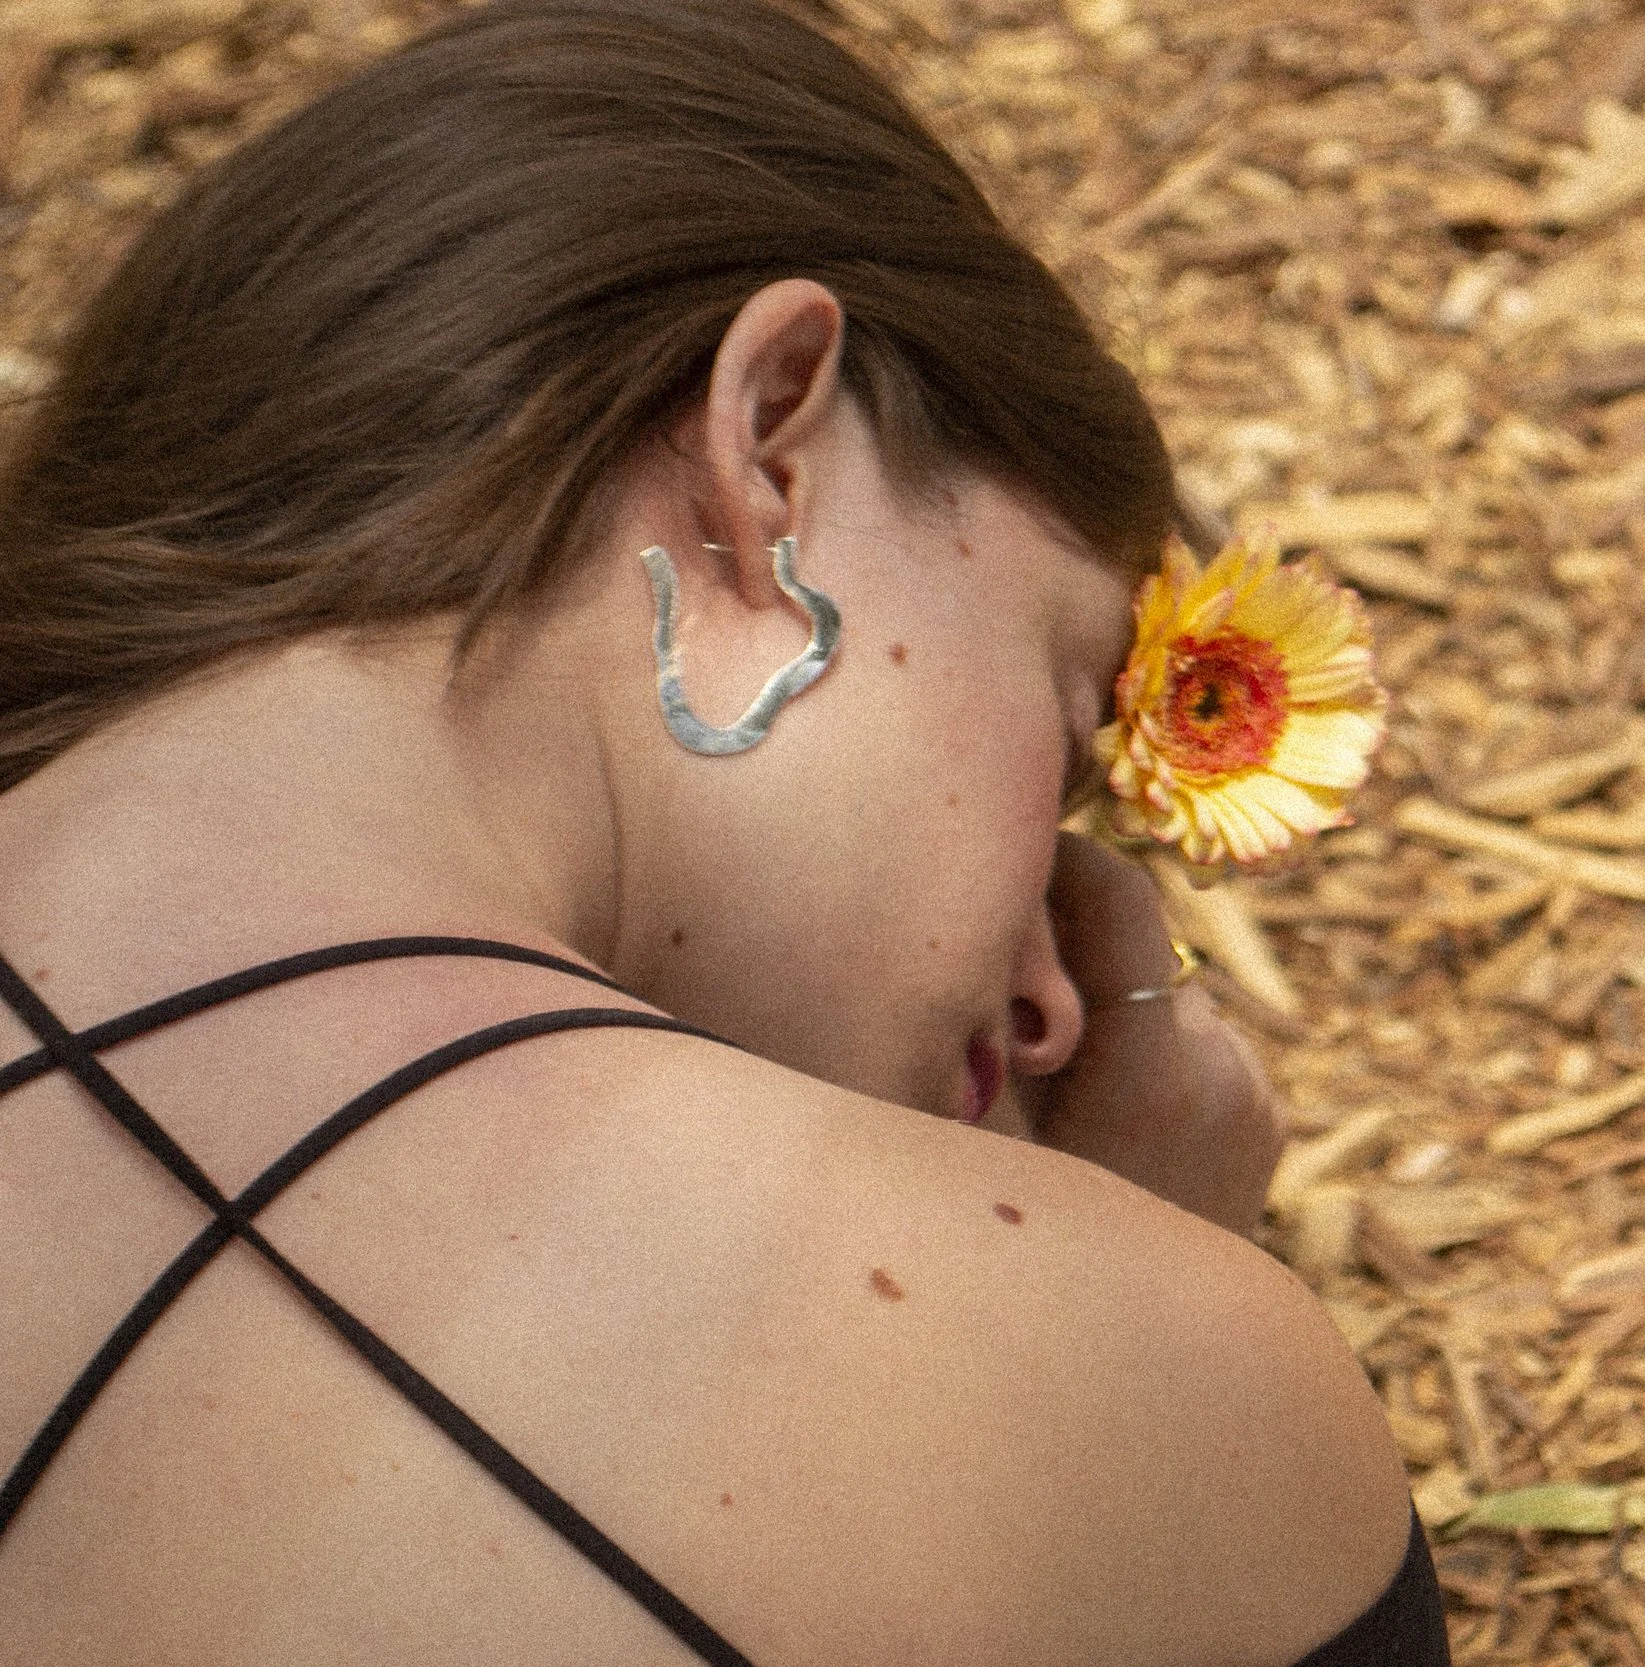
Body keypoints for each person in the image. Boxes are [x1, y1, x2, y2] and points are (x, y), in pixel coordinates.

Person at [0, 2, 1448, 1661]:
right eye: (1064, 716)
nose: (1057, 998)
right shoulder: (1102, 1394)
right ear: (767, 444)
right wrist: (1144, 1325)